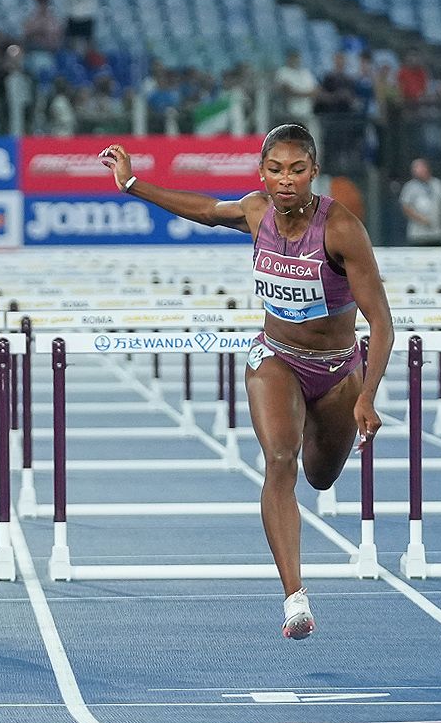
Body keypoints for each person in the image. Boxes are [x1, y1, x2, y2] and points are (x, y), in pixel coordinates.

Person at [102, 126, 392, 638]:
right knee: (279, 460)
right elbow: (205, 210)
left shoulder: (341, 230)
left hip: (337, 369)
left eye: (297, 170)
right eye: (275, 170)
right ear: (262, 173)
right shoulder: (256, 212)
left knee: (320, 476)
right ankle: (294, 598)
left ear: (314, 172)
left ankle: (311, 421)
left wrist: (367, 394)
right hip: (275, 357)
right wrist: (132, 185)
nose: (286, 180)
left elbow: (382, 322)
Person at [400, 158, 441, 247]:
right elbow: (405, 206)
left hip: (437, 234)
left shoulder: (438, 184)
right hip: (418, 235)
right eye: (414, 168)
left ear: (426, 168)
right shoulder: (410, 187)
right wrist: (421, 219)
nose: (416, 170)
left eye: (419, 167)